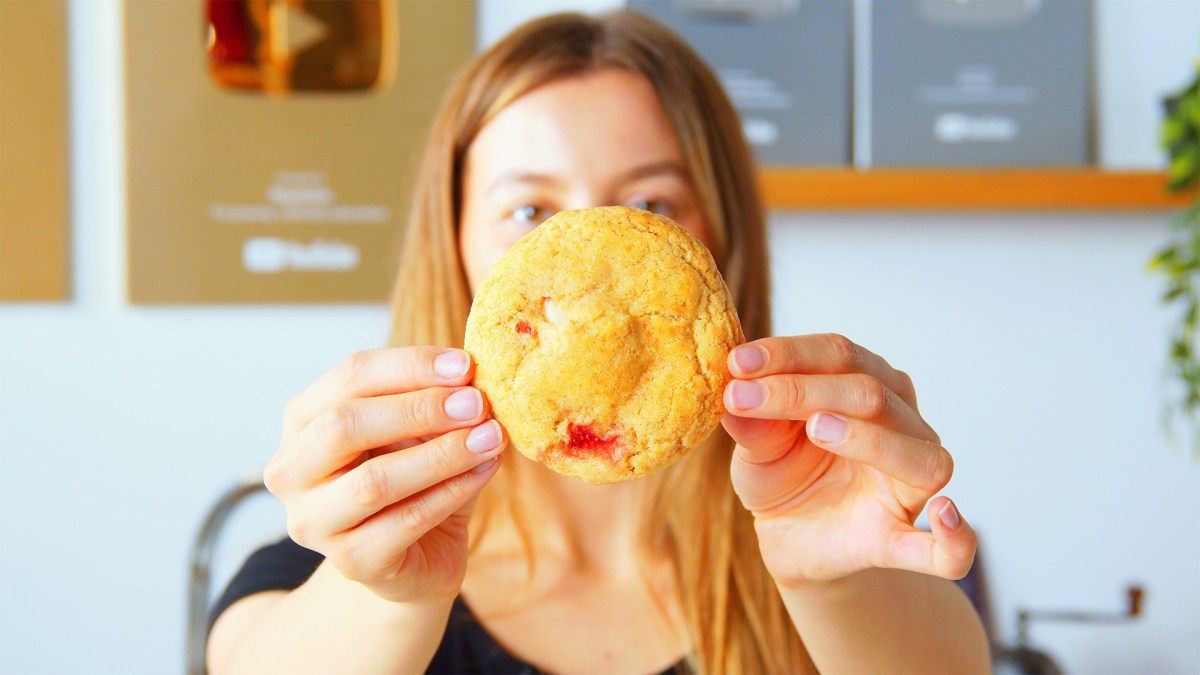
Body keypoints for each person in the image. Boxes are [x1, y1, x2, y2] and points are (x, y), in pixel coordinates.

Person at [206, 10, 990, 674]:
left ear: (719, 241)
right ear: (455, 241)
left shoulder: (837, 540)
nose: (590, 259)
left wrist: (840, 586)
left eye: (650, 203)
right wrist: (388, 592)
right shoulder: (343, 570)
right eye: (529, 210)